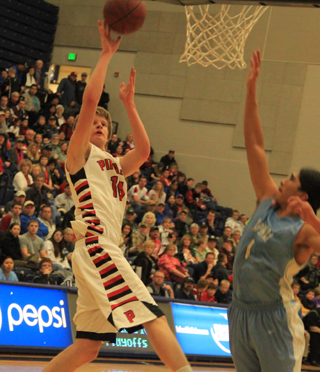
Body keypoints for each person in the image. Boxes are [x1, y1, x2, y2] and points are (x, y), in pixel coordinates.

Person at [43, 22, 192, 372]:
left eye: (104, 125)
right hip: (97, 245)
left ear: (110, 135)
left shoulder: (114, 164)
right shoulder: (79, 155)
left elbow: (144, 150)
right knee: (152, 313)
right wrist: (107, 55)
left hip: (101, 248)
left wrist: (130, 104)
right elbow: (90, 100)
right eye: (93, 122)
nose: (98, 125)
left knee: (87, 348)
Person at [229, 50, 320, 372]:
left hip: (275, 320)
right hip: (239, 312)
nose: (283, 180)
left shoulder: (304, 231)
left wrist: (314, 221)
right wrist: (251, 90)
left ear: (304, 194)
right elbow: (254, 143)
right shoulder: (267, 198)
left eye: (291, 180)